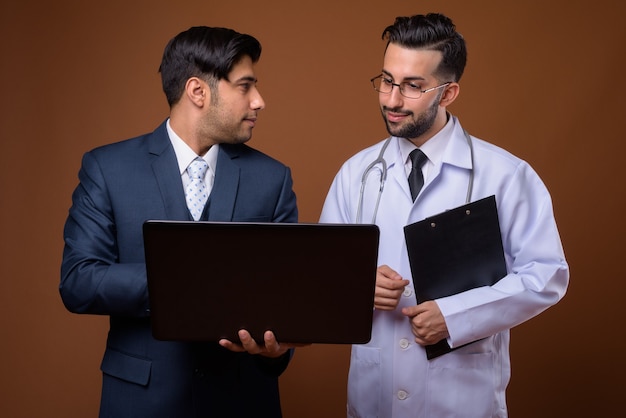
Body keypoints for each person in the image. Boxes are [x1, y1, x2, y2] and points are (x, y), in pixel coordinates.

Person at [319, 13, 569, 418]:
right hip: (374, 399)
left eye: (413, 86)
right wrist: (357, 285)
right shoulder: (356, 175)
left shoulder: (505, 175)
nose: (392, 100)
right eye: (386, 80)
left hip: (463, 402)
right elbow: (320, 276)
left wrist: (456, 317)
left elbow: (547, 274)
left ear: (448, 92)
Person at [60, 26, 300, 418]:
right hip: (141, 401)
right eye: (245, 86)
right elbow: (78, 280)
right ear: (198, 91)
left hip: (242, 403)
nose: (260, 101)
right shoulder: (107, 168)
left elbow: (286, 300)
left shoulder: (273, 179)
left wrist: (277, 350)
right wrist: (182, 283)